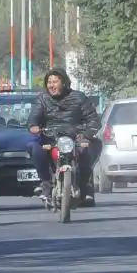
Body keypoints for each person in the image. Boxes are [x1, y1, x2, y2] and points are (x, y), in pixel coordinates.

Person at [27, 68, 102, 205]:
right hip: (51, 138)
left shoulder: (79, 97)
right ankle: (45, 183)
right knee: (34, 147)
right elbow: (33, 118)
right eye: (49, 82)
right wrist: (33, 126)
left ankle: (85, 185)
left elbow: (93, 119)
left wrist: (86, 133)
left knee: (87, 149)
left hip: (75, 138)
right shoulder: (42, 99)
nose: (51, 85)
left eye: (55, 81)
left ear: (64, 82)